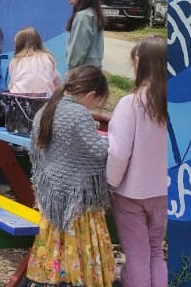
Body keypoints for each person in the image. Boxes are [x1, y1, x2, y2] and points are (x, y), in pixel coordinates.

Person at [24, 65, 115, 286]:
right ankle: (79, 280)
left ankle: (48, 279)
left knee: (54, 245)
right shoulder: (79, 113)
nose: (95, 107)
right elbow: (98, 152)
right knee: (80, 245)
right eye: (97, 103)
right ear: (91, 95)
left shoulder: (45, 110)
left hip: (50, 199)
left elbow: (35, 151)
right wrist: (110, 141)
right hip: (78, 200)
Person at [107, 35, 169, 287]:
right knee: (156, 251)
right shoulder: (174, 102)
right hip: (164, 191)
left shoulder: (130, 104)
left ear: (139, 62)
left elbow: (119, 153)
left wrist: (109, 182)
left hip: (131, 194)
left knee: (136, 255)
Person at [65, 0, 106, 70]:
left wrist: (71, 70)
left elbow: (77, 48)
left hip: (81, 72)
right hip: (94, 69)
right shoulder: (93, 13)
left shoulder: (82, 17)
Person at [8, 27, 60, 95]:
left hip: (20, 100)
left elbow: (12, 83)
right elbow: (56, 82)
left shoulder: (15, 60)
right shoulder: (48, 57)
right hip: (44, 99)